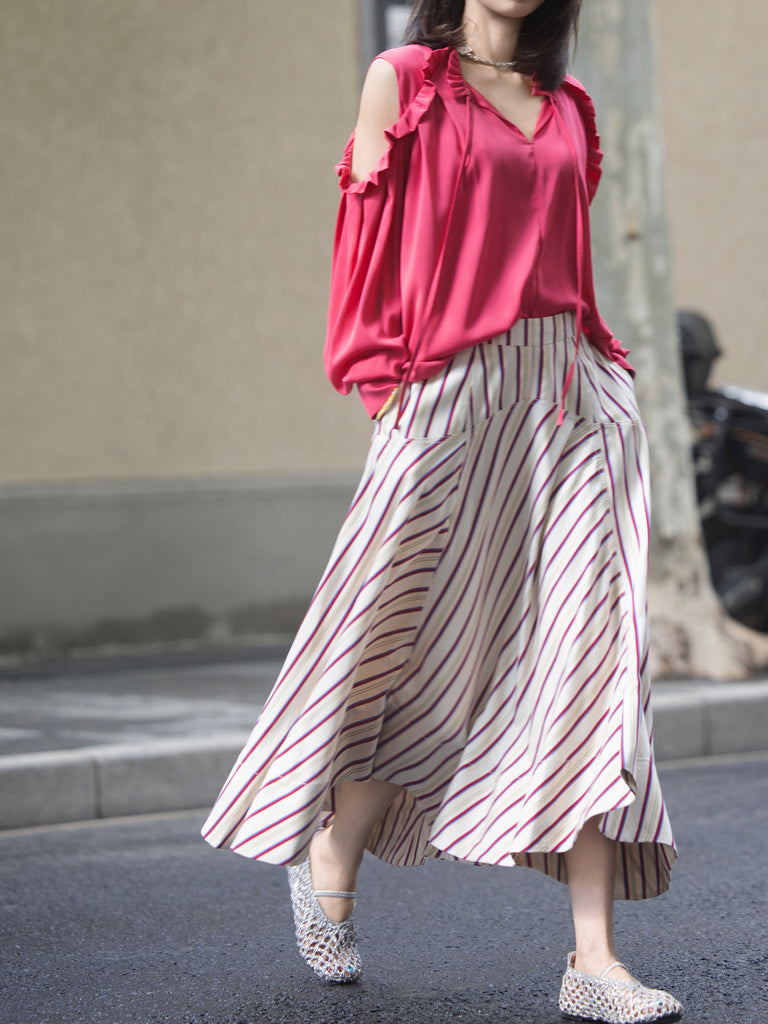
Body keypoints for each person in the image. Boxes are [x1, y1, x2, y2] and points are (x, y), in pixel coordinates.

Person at [202, 2, 684, 1021]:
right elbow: (365, 242)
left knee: (591, 659)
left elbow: (567, 256)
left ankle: (594, 960)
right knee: (404, 644)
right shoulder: (407, 81)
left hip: (570, 397)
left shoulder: (570, 104)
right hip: (450, 394)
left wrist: (606, 376)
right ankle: (331, 843)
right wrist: (387, 389)